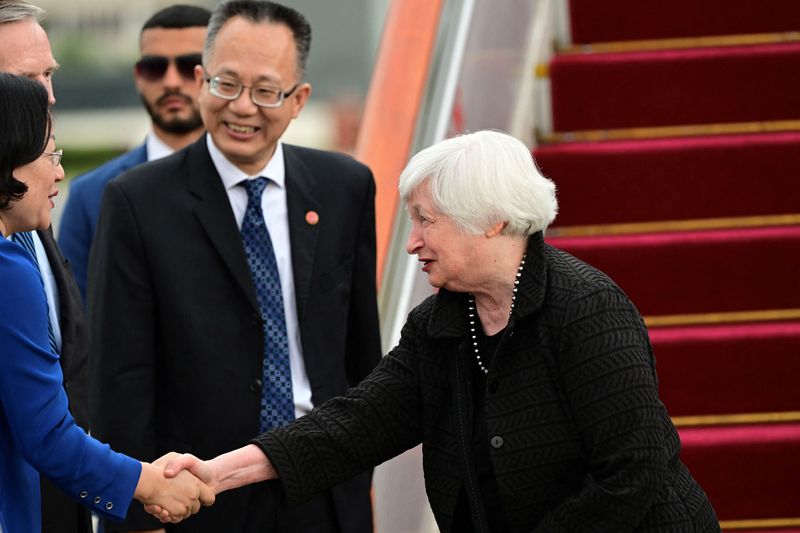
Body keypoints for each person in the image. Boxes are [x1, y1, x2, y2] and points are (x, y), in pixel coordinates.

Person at [155, 130, 722, 532]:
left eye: (427, 219)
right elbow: (355, 426)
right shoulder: (440, 322)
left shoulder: (588, 309)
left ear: (490, 219)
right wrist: (217, 473)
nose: (412, 242)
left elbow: (631, 475)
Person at [88, 1, 381, 532]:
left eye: (266, 91)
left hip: (324, 490)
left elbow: (362, 359)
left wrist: (358, 480)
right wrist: (136, 516)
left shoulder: (345, 188)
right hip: (197, 497)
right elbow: (120, 378)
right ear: (201, 81)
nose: (242, 107)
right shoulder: (137, 203)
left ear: (298, 100)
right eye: (226, 85)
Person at [0, 72, 215, 533]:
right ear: (10, 157)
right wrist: (152, 484)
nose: (59, 171)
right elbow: (48, 435)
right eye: (49, 153)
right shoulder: (8, 266)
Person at [0, 2, 91, 531]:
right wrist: (140, 485)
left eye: (49, 75)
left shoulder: (27, 195)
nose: (48, 95)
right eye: (26, 80)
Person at [58, 4, 210, 301]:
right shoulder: (90, 196)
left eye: (189, 66)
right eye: (155, 67)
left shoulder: (250, 182)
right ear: (138, 75)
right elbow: (78, 322)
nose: (171, 81)